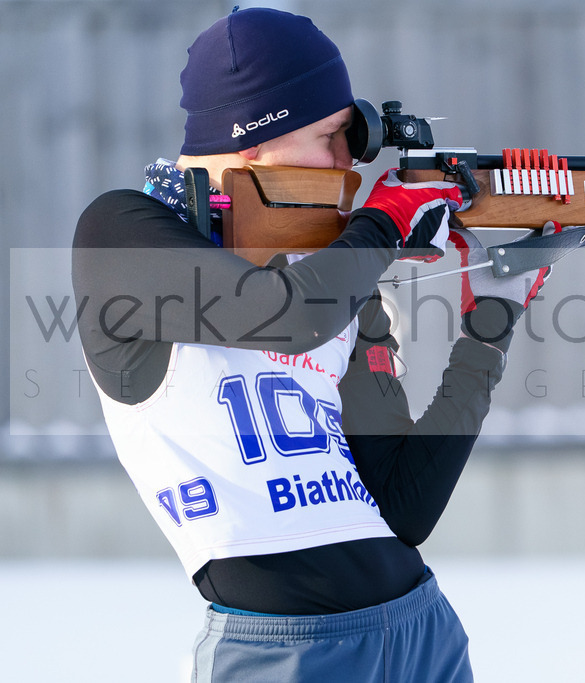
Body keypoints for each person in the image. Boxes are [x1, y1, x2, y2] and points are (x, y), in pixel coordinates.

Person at [72, 7, 551, 681]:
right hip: (283, 653)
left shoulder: (328, 272)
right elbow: (287, 314)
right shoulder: (118, 232)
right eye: (328, 137)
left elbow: (403, 505)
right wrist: (385, 224)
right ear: (253, 141)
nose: (344, 164)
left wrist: (488, 330)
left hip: (424, 633)